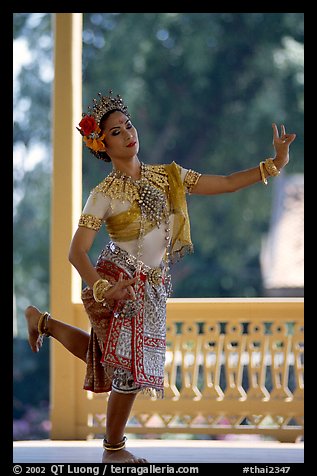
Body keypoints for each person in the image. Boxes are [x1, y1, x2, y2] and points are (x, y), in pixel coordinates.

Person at [25, 89, 296, 463]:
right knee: (130, 371)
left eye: (128, 124)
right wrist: (104, 289)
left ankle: (44, 322)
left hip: (150, 283)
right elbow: (76, 252)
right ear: (100, 144)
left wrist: (274, 164)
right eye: (116, 131)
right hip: (118, 279)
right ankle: (113, 450)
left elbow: (228, 182)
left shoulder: (169, 176)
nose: (128, 133)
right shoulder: (102, 195)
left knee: (107, 360)